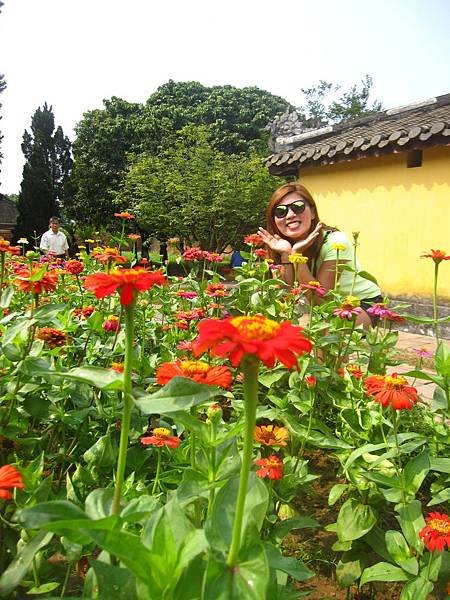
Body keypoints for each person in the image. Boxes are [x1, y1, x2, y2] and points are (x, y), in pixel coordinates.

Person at [258, 182, 382, 328]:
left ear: (313, 212)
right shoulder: (284, 245)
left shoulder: (336, 242)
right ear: (274, 220)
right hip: (332, 306)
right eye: (280, 211)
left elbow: (320, 300)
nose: (290, 215)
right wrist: (286, 254)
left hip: (364, 302)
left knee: (327, 333)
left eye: (298, 207)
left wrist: (297, 256)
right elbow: (288, 293)